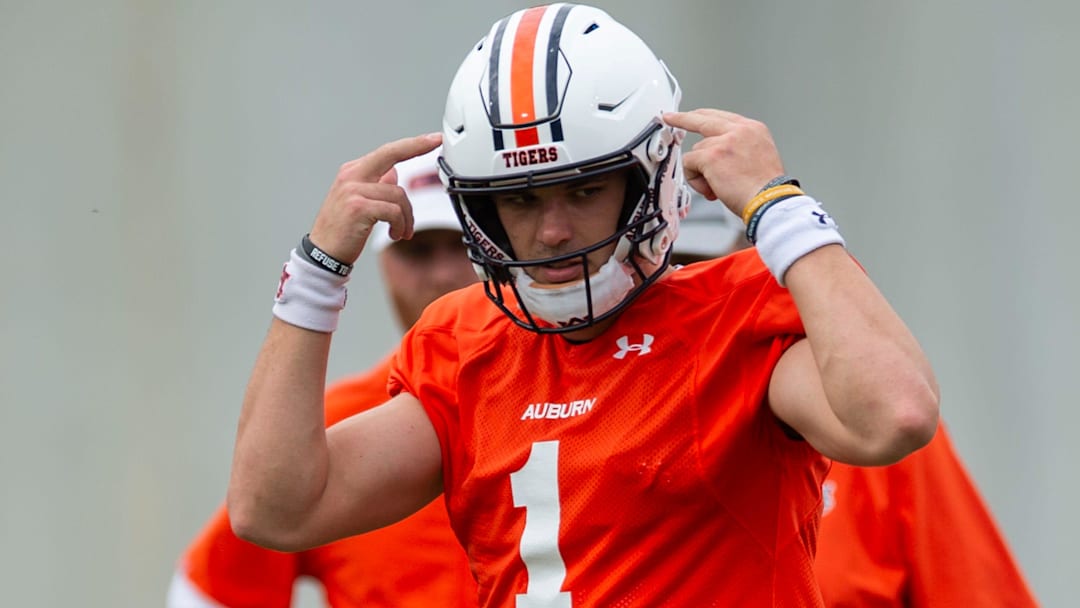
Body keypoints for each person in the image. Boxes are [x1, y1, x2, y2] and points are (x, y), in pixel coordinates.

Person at [227, 5, 941, 607]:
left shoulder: (736, 309)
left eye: (584, 190)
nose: (553, 230)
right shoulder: (462, 339)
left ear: (649, 177)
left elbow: (895, 417)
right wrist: (316, 274)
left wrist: (780, 208)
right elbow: (275, 507)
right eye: (522, 199)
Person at [671, 197, 1039, 606]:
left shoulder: (874, 428)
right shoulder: (600, 433)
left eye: (714, 275)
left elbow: (978, 595)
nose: (694, 304)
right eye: (674, 283)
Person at [168, 149, 480, 608]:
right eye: (417, 250)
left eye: (463, 245)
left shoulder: (575, 384)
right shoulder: (333, 424)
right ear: (384, 262)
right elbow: (209, 591)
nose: (443, 275)